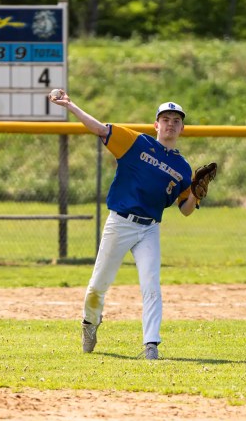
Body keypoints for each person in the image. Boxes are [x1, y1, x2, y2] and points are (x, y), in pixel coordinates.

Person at [49, 90, 201, 360]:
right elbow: (97, 128)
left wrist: (197, 194)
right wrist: (70, 106)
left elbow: (186, 210)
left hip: (149, 228)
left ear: (182, 127)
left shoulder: (182, 167)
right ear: (156, 124)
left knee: (151, 284)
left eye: (176, 120)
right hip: (120, 223)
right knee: (98, 285)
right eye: (165, 119)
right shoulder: (135, 143)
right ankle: (90, 323)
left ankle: (151, 344)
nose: (170, 124)